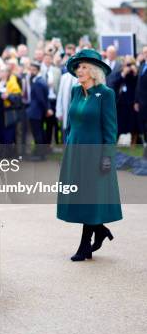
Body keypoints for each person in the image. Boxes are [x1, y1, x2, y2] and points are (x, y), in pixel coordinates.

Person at [57, 49, 122, 261]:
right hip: (76, 152)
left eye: (84, 67)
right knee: (81, 197)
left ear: (94, 71)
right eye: (78, 67)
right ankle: (100, 230)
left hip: (95, 155)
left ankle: (85, 246)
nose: (80, 70)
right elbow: (70, 124)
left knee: (90, 198)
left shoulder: (106, 94)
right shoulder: (76, 91)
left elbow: (110, 129)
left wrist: (107, 157)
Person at [26, 61, 50, 160]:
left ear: (36, 70)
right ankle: (39, 153)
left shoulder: (38, 82)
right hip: (38, 112)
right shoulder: (40, 80)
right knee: (39, 133)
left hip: (36, 112)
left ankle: (40, 155)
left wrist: (46, 109)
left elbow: (41, 99)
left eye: (31, 70)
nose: (30, 72)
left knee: (38, 133)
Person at [114, 56, 139, 143]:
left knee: (133, 126)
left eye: (130, 64)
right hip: (121, 103)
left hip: (132, 103)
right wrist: (123, 74)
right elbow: (115, 84)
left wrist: (135, 74)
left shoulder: (135, 74)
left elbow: (139, 86)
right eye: (126, 63)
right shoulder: (120, 72)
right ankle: (114, 144)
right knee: (119, 125)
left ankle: (134, 143)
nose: (128, 66)